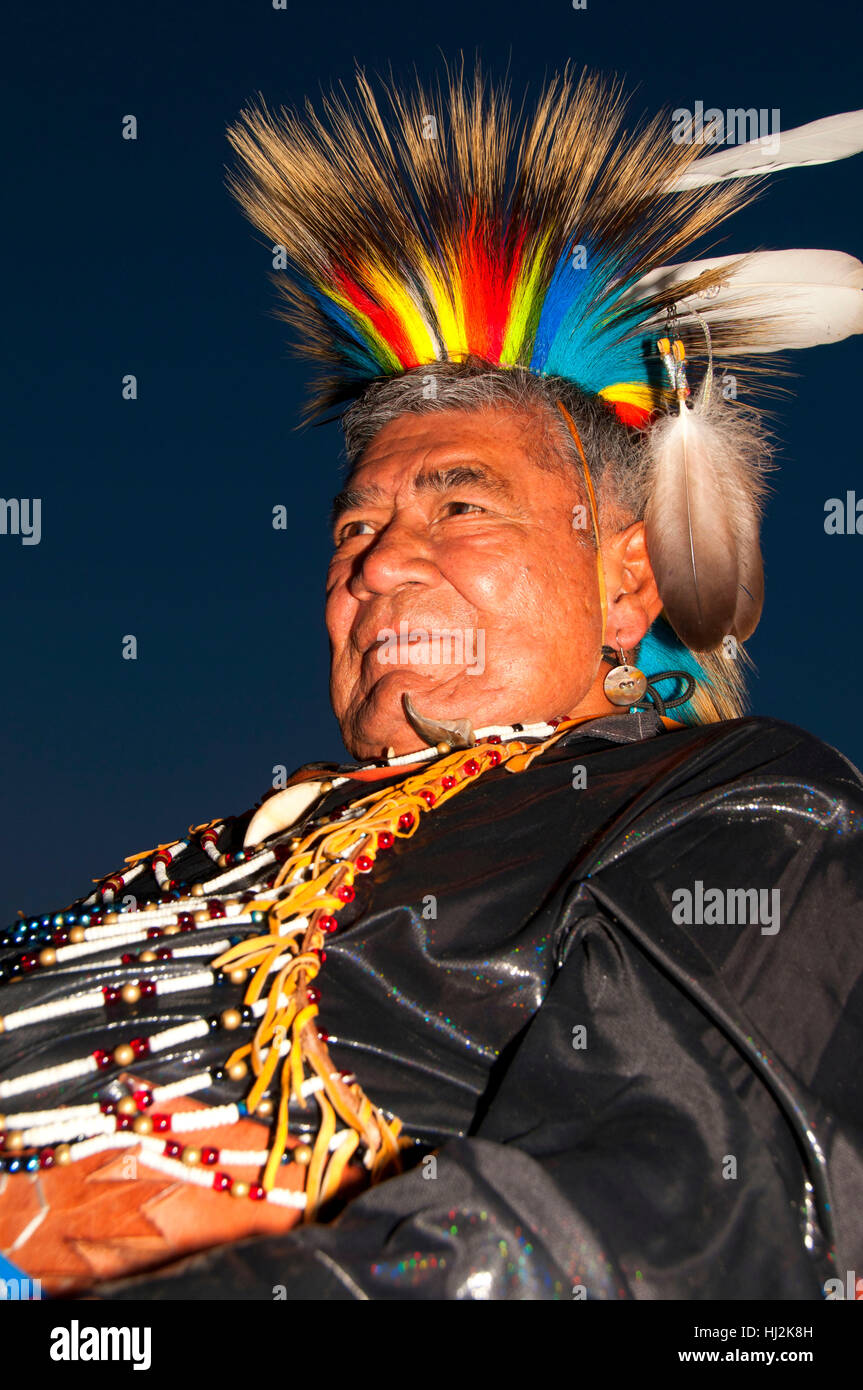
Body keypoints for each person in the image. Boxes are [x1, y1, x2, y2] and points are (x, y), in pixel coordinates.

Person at [1, 65, 862, 1301]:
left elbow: (663, 1223)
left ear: (626, 584)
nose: (381, 560)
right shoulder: (187, 871)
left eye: (460, 504)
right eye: (354, 531)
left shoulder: (741, 810)